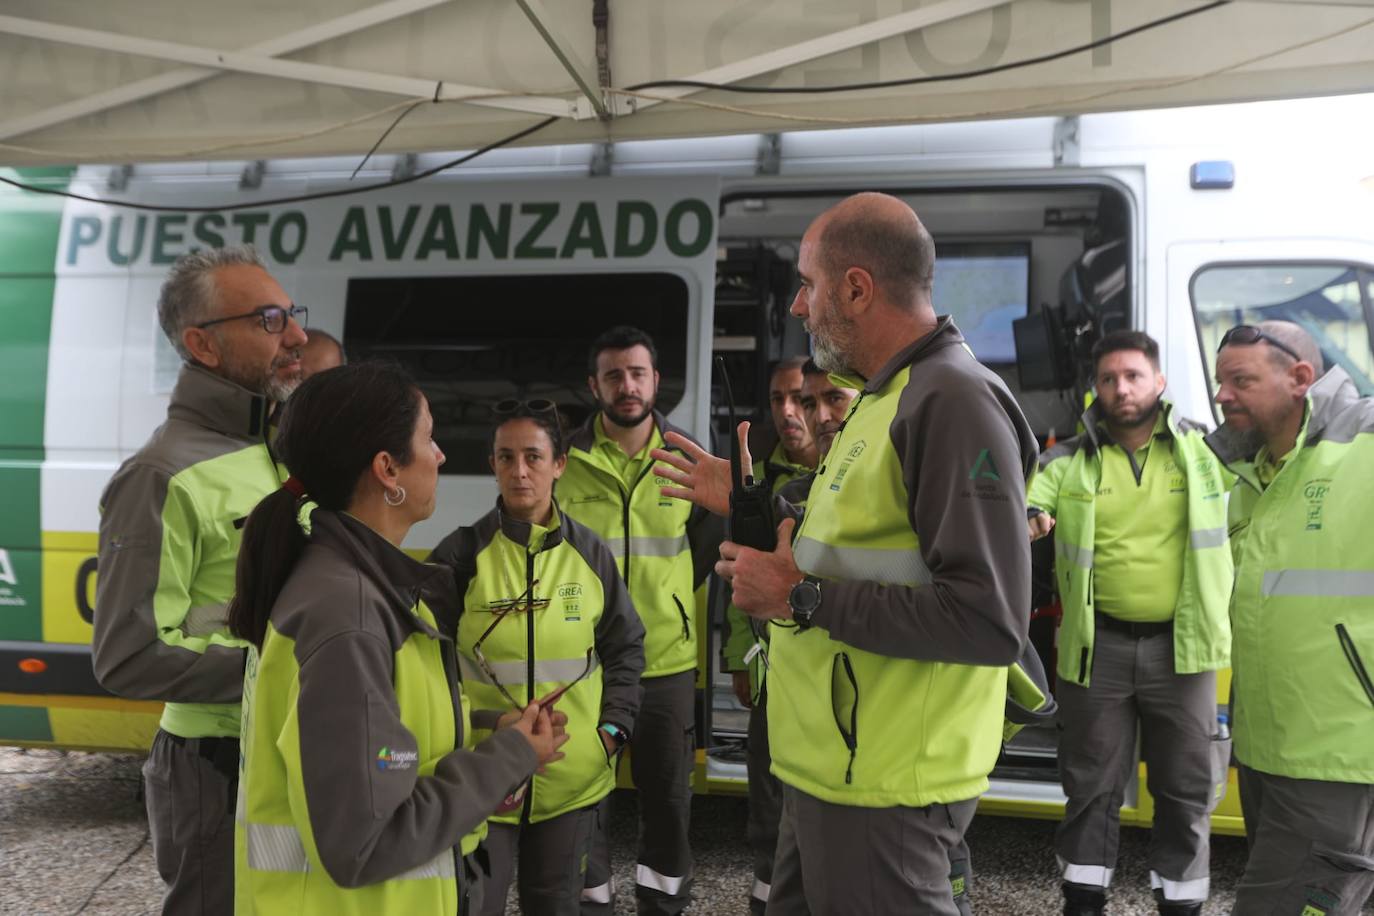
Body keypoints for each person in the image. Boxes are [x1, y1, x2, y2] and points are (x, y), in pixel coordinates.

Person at [653, 192, 1038, 915]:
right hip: (831, 771)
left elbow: (989, 622)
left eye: (807, 284)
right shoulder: (882, 396)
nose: (799, 306)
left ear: (856, 288)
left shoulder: (949, 400)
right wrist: (749, 503)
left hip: (885, 786)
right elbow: (854, 544)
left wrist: (798, 598)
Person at [228, 362, 567, 914]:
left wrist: (485, 731)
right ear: (387, 468)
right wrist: (508, 758)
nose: (440, 455)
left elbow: (384, 736)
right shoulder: (351, 613)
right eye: (428, 438)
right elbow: (367, 842)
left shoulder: (356, 588)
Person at [91, 245, 307, 915]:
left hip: (282, 744)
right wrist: (279, 671)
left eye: (291, 314)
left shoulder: (274, 452)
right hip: (214, 761)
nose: (296, 335)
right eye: (270, 319)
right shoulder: (159, 474)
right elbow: (126, 655)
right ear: (202, 345)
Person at [1026, 330, 1233, 916]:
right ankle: (1084, 903)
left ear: (1159, 382)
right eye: (1110, 378)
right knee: (1090, 789)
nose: (1121, 388)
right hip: (1100, 651)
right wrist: (1032, 517)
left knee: (1186, 791)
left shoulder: (1204, 452)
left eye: (1134, 376)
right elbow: (1027, 499)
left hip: (1183, 651)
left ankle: (1182, 904)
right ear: (1096, 388)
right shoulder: (1067, 458)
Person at [427, 400, 646, 916]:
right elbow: (426, 669)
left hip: (572, 778)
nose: (519, 471)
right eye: (505, 458)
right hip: (484, 778)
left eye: (533, 456)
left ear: (560, 464)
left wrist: (612, 734)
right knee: (475, 907)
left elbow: (626, 647)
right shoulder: (459, 556)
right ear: (492, 465)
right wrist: (480, 724)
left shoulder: (591, 555)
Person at [1206, 320, 1374, 916]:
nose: (1222, 395)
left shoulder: (1365, 439)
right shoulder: (1248, 472)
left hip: (1336, 752)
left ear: (1301, 378)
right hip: (1265, 748)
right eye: (1220, 380)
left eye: (1240, 380)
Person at [558, 325, 721, 915]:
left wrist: (669, 600)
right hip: (586, 664)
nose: (626, 386)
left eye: (637, 373)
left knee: (669, 802)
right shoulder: (564, 462)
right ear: (594, 385)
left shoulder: (689, 458)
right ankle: (592, 904)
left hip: (665, 663)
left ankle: (664, 906)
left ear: (656, 381)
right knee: (583, 795)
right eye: (613, 375)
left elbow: (706, 548)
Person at [721, 356, 821, 915]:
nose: (788, 411)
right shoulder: (755, 476)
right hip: (772, 675)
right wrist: (739, 656)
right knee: (768, 810)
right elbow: (738, 572)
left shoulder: (848, 474)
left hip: (832, 672)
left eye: (802, 399)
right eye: (779, 399)